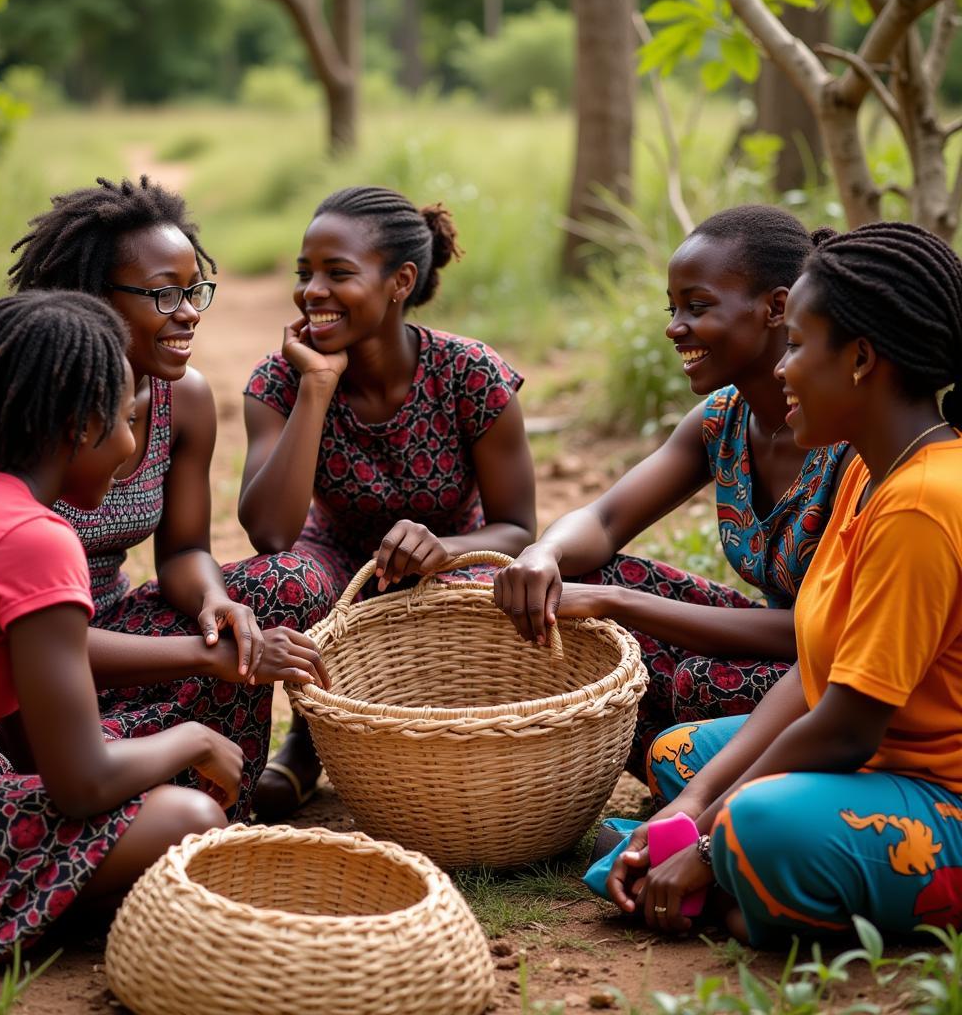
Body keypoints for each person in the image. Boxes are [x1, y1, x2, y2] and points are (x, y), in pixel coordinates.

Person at [608, 222, 962, 946]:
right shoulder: (868, 467)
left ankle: (750, 896)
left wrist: (704, 843)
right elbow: (813, 671)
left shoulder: (925, 502)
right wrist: (695, 808)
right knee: (678, 760)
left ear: (862, 359)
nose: (780, 370)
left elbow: (847, 724)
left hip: (938, 792)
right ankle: (752, 892)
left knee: (754, 823)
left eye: (798, 346)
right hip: (873, 761)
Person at [7, 177, 331, 822]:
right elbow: (24, 641)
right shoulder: (34, 412)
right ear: (91, 298)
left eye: (193, 290)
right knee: (225, 660)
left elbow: (182, 549)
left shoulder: (182, 400)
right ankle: (108, 780)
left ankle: (201, 795)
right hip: (27, 677)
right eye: (163, 294)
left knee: (285, 585)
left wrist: (216, 605)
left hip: (114, 633)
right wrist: (204, 655)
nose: (188, 311)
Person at [0, 291, 243, 976]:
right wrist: (194, 738)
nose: (133, 445)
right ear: (81, 426)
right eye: (126, 420)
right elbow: (79, 784)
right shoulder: (34, 539)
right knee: (190, 820)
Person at [493, 205, 850, 775]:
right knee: (579, 580)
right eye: (673, 307)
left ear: (775, 308)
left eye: (698, 306)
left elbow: (823, 628)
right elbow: (606, 521)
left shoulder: (847, 435)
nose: (674, 326)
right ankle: (670, 778)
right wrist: (544, 553)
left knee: (698, 679)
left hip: (841, 665)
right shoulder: (722, 420)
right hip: (777, 645)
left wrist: (620, 602)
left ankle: (692, 786)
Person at [240, 185, 537, 819]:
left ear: (401, 280)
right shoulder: (280, 380)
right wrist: (317, 387)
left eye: (337, 273)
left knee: (489, 591)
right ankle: (308, 735)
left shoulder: (470, 375)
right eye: (305, 274)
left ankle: (450, 736)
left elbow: (517, 529)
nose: (312, 290)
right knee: (277, 581)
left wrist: (445, 550)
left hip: (456, 552)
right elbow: (269, 531)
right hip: (336, 552)